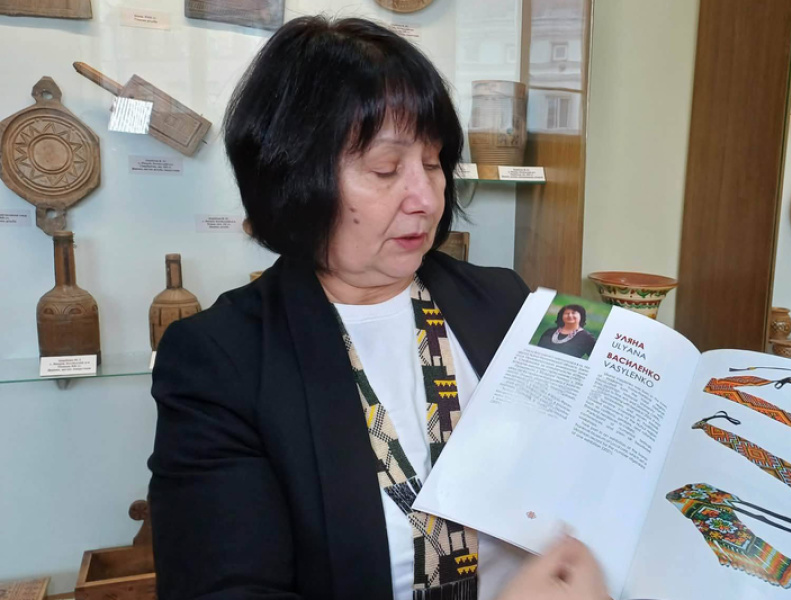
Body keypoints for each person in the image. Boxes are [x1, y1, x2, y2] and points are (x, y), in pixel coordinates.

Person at [147, 16, 608, 600]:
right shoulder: (220, 361)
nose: (426, 198)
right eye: (386, 169)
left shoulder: (505, 300)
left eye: (434, 163)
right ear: (296, 178)